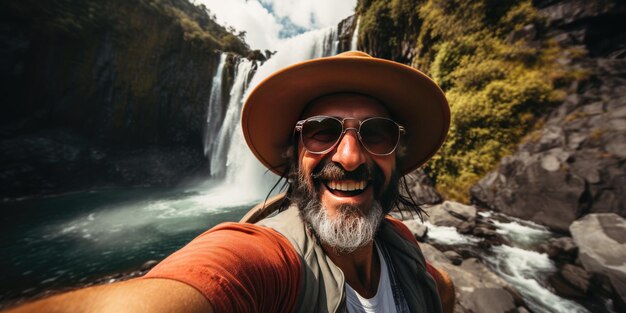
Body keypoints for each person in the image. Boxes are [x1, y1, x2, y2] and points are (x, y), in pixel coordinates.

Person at [5, 51, 454, 313]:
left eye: (375, 133)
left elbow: (442, 288)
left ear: (398, 155)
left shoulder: (398, 244)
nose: (351, 156)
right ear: (293, 155)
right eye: (322, 130)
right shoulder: (265, 258)